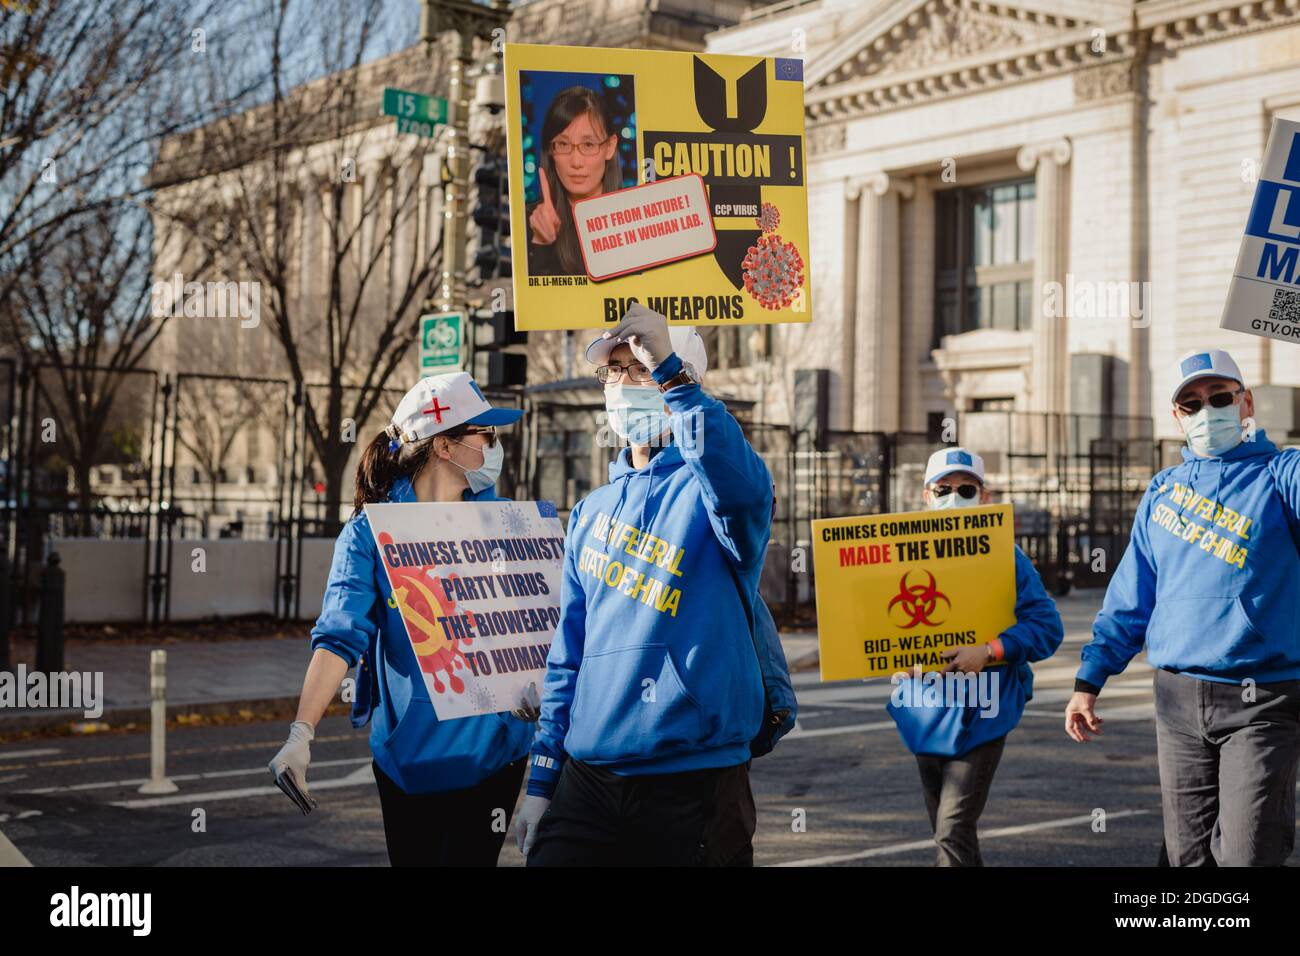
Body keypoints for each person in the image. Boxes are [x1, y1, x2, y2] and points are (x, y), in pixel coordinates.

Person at [514, 304, 773, 866]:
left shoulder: (714, 494)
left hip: (694, 783)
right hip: (589, 780)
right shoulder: (589, 511)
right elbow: (569, 656)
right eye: (614, 371)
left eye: (638, 369)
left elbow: (743, 490)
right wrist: (542, 779)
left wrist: (673, 376)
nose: (621, 384)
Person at [269, 371, 536, 867]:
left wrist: (534, 686)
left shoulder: (504, 520)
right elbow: (338, 637)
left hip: (495, 754)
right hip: (408, 759)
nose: (494, 446)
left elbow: (536, 624)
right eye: (486, 434)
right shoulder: (371, 532)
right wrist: (300, 734)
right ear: (444, 446)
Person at [1065, 349, 1300, 866]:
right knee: (1188, 862)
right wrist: (1089, 681)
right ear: (1177, 416)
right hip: (1176, 700)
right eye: (1191, 404)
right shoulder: (1163, 491)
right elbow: (1131, 596)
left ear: (1246, 403)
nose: (1206, 412)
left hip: (1261, 702)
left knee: (1247, 856)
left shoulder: (1282, 476)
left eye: (1219, 398)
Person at [884, 447, 1064, 866]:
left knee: (952, 830)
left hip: (984, 711)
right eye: (943, 488)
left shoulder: (1007, 556)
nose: (954, 496)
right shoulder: (897, 553)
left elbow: (1047, 628)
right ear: (926, 495)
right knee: (948, 834)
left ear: (984, 497)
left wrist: (989, 651)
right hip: (924, 710)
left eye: (966, 488)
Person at [527, 85, 622, 277]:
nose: (576, 162)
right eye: (563, 144)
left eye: (588, 145)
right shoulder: (528, 222)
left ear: (609, 147)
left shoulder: (635, 221)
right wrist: (540, 245)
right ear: (551, 151)